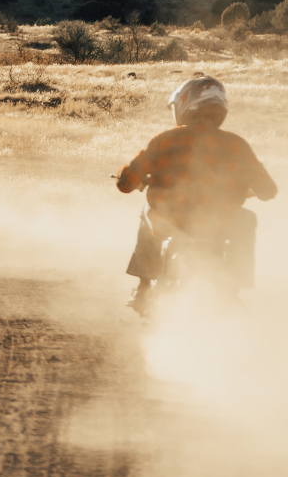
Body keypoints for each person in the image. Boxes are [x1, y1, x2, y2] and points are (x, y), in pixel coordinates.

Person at [117, 76, 277, 313]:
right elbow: (268, 191)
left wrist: (127, 177)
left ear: (186, 104)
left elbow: (126, 184)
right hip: (219, 225)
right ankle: (232, 290)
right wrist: (244, 188)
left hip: (172, 221)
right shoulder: (236, 145)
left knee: (148, 214)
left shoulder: (165, 140)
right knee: (247, 219)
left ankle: (144, 287)